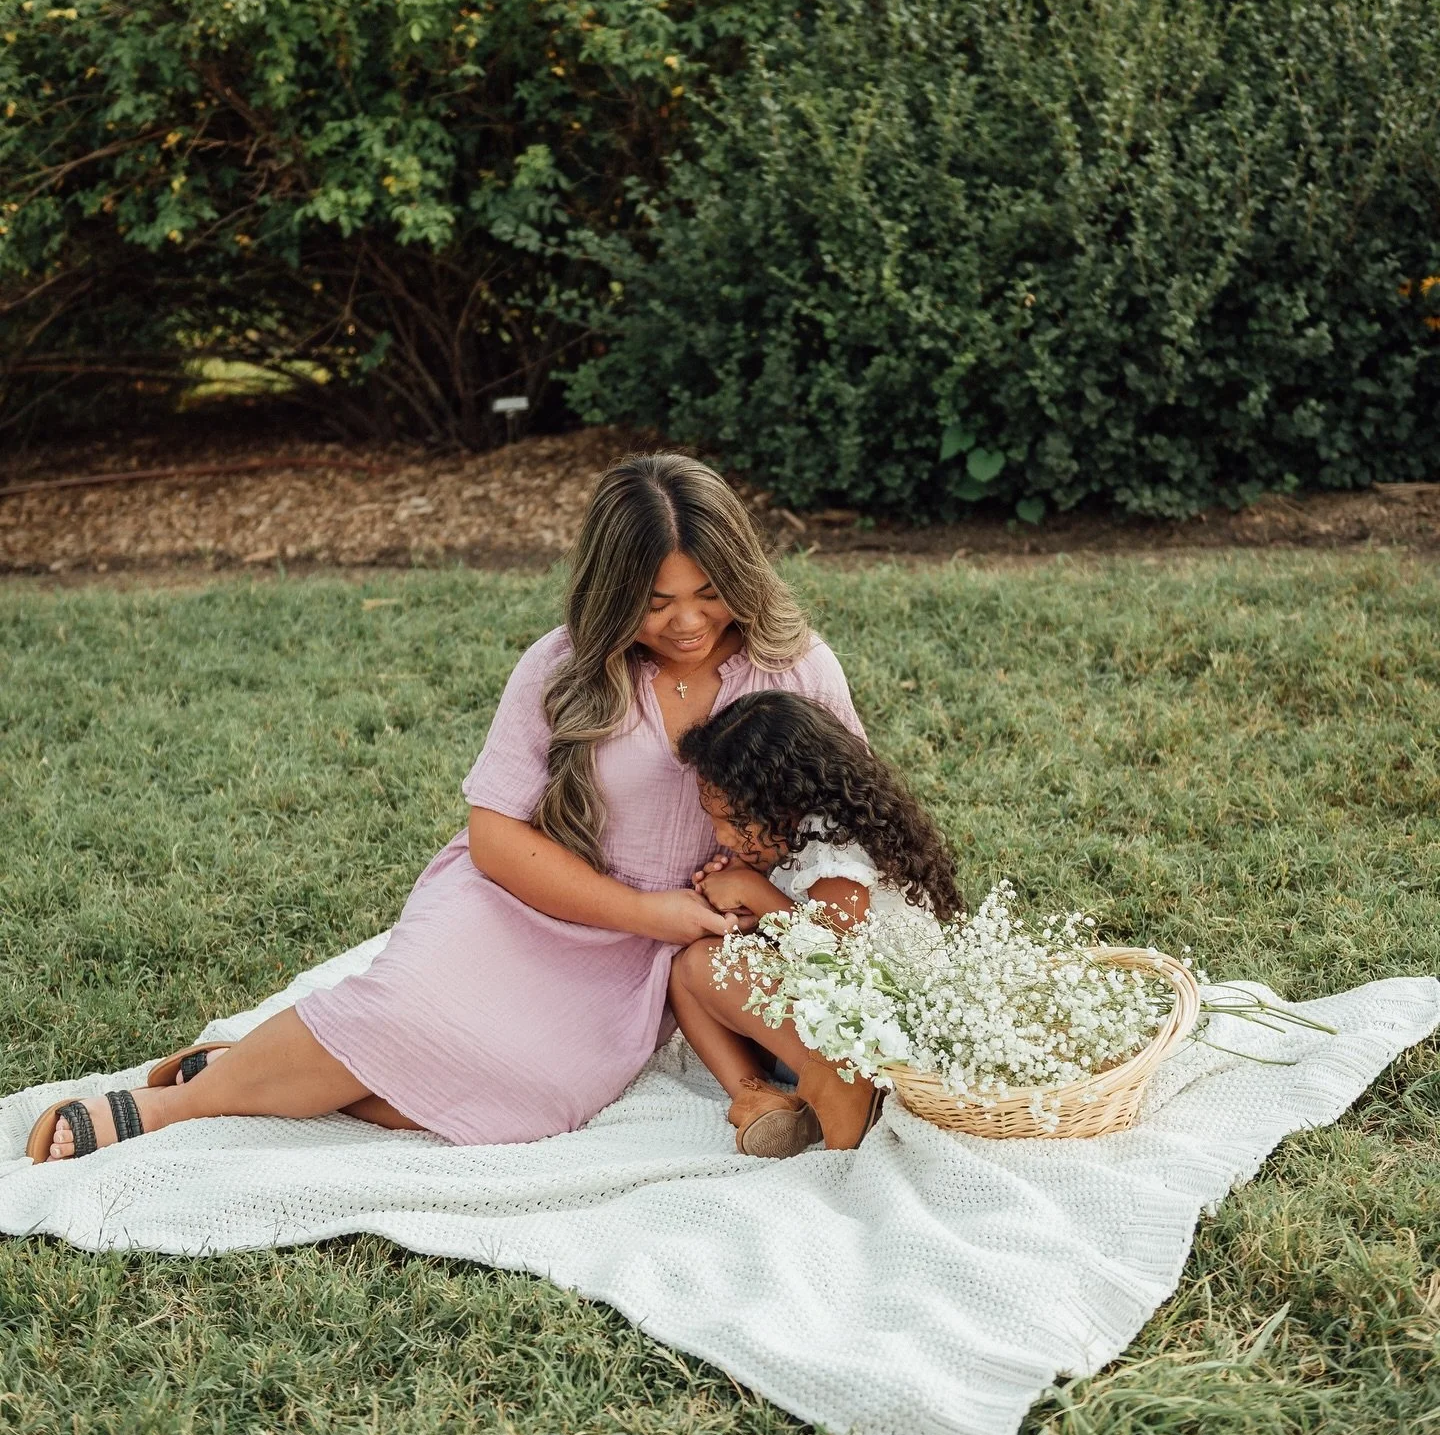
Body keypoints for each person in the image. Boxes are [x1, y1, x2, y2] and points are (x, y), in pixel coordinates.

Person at [26, 454, 866, 1163]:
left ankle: (245, 1066)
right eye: (653, 603)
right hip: (527, 903)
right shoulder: (565, 665)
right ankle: (172, 1108)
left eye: (708, 592)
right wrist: (647, 908)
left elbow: (849, 824)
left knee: (526, 1098)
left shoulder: (796, 667)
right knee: (402, 1014)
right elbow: (496, 837)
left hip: (645, 961)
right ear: (613, 592)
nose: (686, 621)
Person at [668, 691, 962, 1158]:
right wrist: (748, 918)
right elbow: (801, 939)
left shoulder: (835, 848)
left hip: (880, 1044)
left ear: (789, 800)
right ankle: (759, 1095)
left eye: (737, 820)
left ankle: (843, 1084)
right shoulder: (803, 838)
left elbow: (836, 949)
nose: (722, 836)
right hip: (831, 1024)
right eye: (715, 819)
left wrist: (751, 890)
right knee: (685, 971)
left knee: (701, 965)